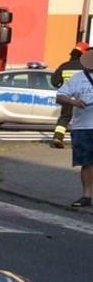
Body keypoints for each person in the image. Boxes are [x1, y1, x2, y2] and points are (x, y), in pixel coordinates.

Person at [55, 53, 93, 207]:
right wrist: (75, 102)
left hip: (83, 126)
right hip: (83, 126)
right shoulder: (77, 78)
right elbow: (60, 96)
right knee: (87, 163)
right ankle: (86, 196)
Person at [50, 42, 88, 149]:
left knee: (64, 117)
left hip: (68, 98)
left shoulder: (64, 66)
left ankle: (57, 137)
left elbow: (54, 82)